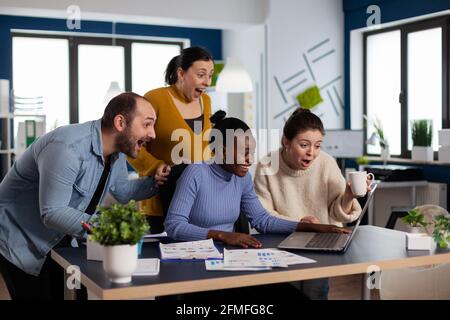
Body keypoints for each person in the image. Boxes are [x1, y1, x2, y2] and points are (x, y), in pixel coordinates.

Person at [0, 92, 166, 300]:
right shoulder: (67, 148)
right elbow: (52, 212)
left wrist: (157, 183)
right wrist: (113, 228)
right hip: (21, 237)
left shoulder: (116, 153)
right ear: (120, 122)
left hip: (61, 237)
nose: (152, 135)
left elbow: (122, 191)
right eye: (147, 124)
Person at [165, 110, 350, 246]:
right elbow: (174, 225)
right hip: (193, 256)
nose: (250, 159)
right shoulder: (196, 173)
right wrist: (221, 235)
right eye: (245, 152)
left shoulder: (242, 178)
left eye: (252, 152)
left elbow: (262, 220)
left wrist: (310, 227)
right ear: (223, 151)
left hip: (228, 257)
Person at [253, 108, 371, 299]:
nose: (312, 153)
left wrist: (349, 195)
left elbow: (337, 214)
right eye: (304, 145)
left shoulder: (326, 163)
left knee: (315, 293)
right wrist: (300, 223)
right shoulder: (267, 164)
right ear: (286, 141)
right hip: (281, 244)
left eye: (317, 145)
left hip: (319, 245)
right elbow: (263, 215)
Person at [128, 46, 215, 233]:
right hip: (159, 205)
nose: (207, 82)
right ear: (181, 73)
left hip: (197, 204)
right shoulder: (155, 98)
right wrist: (156, 166)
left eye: (210, 75)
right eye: (201, 75)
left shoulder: (206, 101)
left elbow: (205, 146)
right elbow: (131, 144)